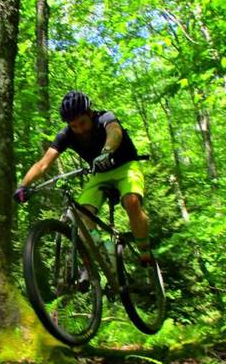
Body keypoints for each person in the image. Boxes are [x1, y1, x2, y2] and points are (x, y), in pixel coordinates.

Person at [14, 90, 151, 265]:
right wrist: (23, 185)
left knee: (131, 202)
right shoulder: (66, 135)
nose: (79, 129)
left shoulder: (104, 118)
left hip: (126, 166)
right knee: (83, 216)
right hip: (99, 174)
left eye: (82, 123)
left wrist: (107, 151)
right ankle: (103, 253)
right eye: (74, 125)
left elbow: (115, 132)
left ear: (90, 113)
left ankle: (144, 247)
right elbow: (43, 164)